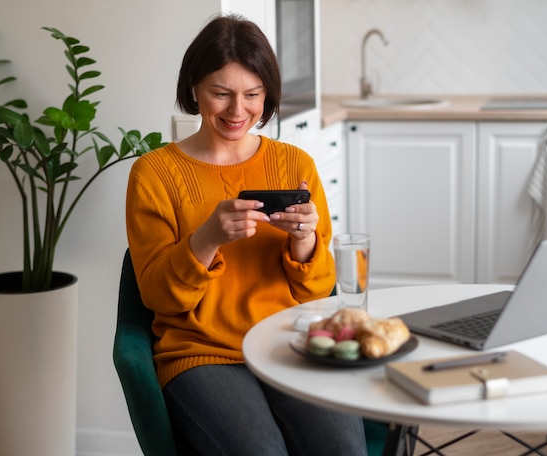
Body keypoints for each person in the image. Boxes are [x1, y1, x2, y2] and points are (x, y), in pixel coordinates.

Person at [125, 13, 368, 456]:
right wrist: (206, 239)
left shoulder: (296, 165)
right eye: (221, 93)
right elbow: (158, 298)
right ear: (194, 89)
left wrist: (304, 242)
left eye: (252, 95)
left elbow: (318, 292)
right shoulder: (154, 175)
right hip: (202, 353)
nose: (238, 111)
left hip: (288, 342)